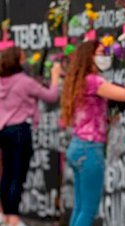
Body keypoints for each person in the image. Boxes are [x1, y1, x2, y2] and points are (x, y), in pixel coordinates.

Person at [60, 40, 125, 226]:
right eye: (100, 52)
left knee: (80, 207)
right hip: (89, 150)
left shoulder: (79, 80)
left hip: (77, 147)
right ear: (89, 57)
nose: (104, 56)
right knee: (88, 210)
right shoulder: (93, 80)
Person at [0, 47, 62, 226]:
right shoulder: (25, 82)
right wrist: (55, 76)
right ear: (18, 61)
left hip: (3, 130)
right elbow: (51, 96)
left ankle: (4, 214)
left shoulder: (2, 81)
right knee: (18, 175)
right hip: (20, 130)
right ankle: (13, 218)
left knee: (6, 173)